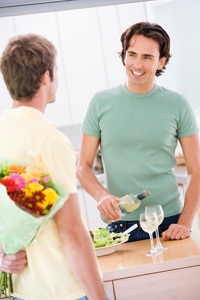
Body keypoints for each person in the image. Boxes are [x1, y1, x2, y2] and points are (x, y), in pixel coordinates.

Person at [0, 34, 110, 300]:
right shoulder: (49, 140)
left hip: (24, 290)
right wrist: (99, 296)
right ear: (45, 77)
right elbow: (71, 232)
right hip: (64, 290)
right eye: (56, 71)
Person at [77, 22, 200, 242]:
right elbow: (82, 166)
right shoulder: (100, 102)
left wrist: (185, 222)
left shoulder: (177, 103)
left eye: (147, 57)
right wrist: (102, 196)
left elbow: (196, 170)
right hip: (118, 224)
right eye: (132, 54)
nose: (137, 64)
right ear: (123, 56)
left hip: (169, 221)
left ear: (161, 61)